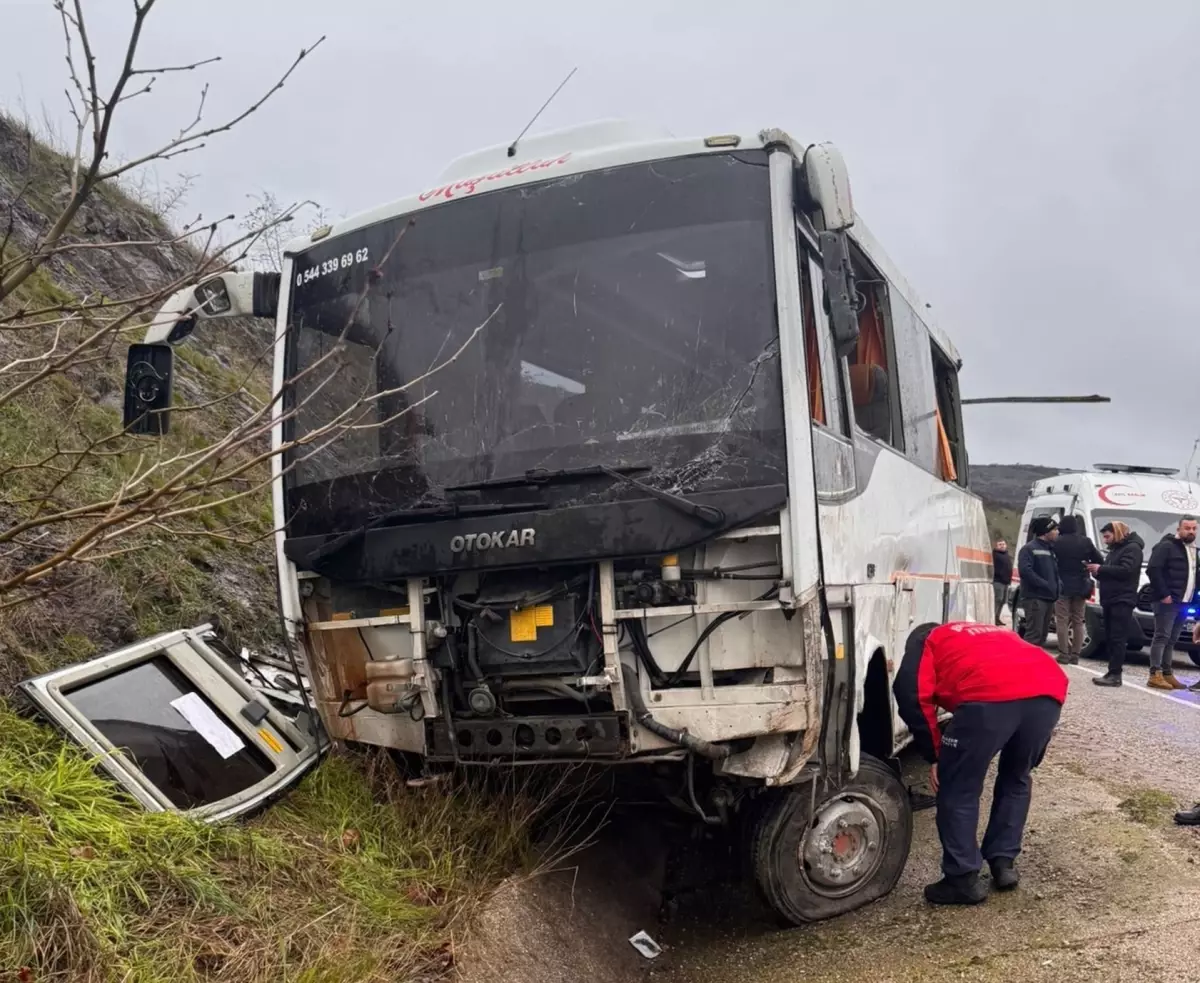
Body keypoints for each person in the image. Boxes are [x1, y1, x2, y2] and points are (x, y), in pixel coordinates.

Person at [893, 622, 1068, 905]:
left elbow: (911, 695)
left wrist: (935, 755)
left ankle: (961, 879)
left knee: (958, 787)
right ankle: (1003, 863)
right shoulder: (990, 633)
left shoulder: (926, 641)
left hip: (988, 695)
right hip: (1048, 690)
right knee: (1017, 777)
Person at [1143, 515, 1199, 691]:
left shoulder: (1192, 550)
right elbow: (1153, 569)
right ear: (1179, 529)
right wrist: (1164, 594)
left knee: (1172, 639)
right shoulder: (1166, 546)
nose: (1191, 531)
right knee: (1162, 636)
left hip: (1184, 602)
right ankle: (1155, 674)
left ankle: (1167, 673)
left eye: (1194, 528)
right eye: (1187, 528)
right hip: (1167, 601)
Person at [1088, 521, 1145, 687]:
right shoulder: (1116, 550)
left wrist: (1102, 569)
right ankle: (1112, 670)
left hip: (1122, 600)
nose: (1105, 540)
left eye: (1107, 536)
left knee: (1118, 638)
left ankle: (1115, 673)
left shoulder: (1132, 549)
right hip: (1110, 598)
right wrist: (1096, 571)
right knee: (1111, 637)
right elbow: (1112, 572)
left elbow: (1126, 571)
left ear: (1117, 533)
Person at [1051, 516, 1103, 665]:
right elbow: (1099, 559)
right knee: (1078, 621)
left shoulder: (1057, 542)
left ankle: (1063, 654)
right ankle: (1075, 655)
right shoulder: (1085, 541)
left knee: (1061, 620)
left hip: (1062, 585)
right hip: (1081, 585)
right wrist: (1086, 564)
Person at [1017, 517, 1060, 646]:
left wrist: (1059, 585)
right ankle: (1024, 664)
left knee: (1042, 636)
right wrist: (1044, 584)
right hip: (1035, 598)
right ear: (1046, 532)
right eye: (1055, 529)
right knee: (1034, 635)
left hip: (1048, 597)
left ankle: (1035, 664)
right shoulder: (1029, 549)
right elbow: (1025, 571)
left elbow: (1054, 572)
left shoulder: (1051, 549)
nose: (1057, 532)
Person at [992, 539, 1013, 625]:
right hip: (998, 581)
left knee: (1003, 601)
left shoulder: (1006, 555)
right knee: (998, 599)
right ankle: (993, 617)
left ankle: (997, 617)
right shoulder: (995, 555)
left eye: (1003, 544)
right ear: (996, 546)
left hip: (1006, 582)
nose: (1002, 546)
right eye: (1000, 544)